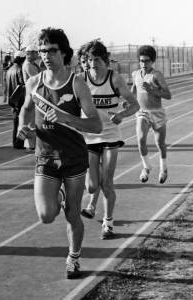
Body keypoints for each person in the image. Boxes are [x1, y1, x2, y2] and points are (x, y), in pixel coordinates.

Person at [17, 27, 102, 279]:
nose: (45, 55)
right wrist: (24, 125)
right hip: (46, 156)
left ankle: (73, 258)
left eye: (51, 50)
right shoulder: (34, 82)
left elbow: (95, 125)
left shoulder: (77, 83)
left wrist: (66, 117)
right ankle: (60, 193)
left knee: (72, 214)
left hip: (74, 157)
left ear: (64, 53)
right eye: (42, 50)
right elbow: (25, 109)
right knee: (46, 215)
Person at [80, 40, 139, 239]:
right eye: (89, 60)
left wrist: (122, 115)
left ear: (106, 61)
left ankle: (108, 223)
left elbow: (135, 105)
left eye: (97, 60)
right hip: (89, 137)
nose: (93, 64)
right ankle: (91, 203)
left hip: (110, 136)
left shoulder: (115, 80)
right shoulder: (82, 79)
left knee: (107, 183)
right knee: (91, 185)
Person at [131, 45, 171, 184]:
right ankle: (146, 167)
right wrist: (129, 103)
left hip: (157, 113)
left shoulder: (156, 75)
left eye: (147, 61)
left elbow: (168, 95)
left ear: (152, 61)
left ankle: (163, 168)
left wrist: (152, 90)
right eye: (141, 61)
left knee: (160, 143)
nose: (143, 64)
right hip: (142, 112)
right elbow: (133, 91)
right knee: (141, 139)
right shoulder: (135, 74)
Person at [5, 51, 26, 149]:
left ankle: (15, 142)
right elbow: (22, 84)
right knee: (21, 122)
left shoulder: (9, 69)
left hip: (12, 99)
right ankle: (19, 143)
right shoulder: (19, 69)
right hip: (20, 99)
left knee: (16, 122)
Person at [22, 44, 41, 152]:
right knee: (31, 121)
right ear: (30, 53)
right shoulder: (28, 65)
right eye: (35, 53)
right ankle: (30, 145)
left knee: (33, 120)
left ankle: (31, 144)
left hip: (34, 94)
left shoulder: (33, 64)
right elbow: (37, 78)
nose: (37, 54)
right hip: (32, 95)